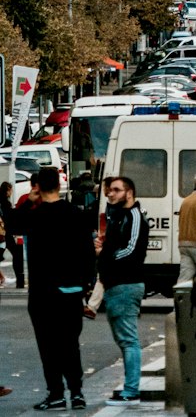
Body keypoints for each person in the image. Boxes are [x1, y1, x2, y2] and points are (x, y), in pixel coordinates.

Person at [12, 163, 94, 411]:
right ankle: (77, 392)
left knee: (48, 345)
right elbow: (88, 253)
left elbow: (13, 225)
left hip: (42, 292)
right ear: (60, 185)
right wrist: (86, 285)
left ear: (37, 187)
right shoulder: (75, 214)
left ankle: (56, 393)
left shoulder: (34, 217)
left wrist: (29, 201)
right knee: (70, 343)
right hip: (70, 291)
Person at [97, 176, 149, 406]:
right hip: (116, 284)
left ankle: (132, 390)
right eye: (109, 190)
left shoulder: (134, 216)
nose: (110, 193)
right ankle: (130, 388)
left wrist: (106, 258)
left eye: (116, 190)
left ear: (129, 193)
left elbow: (131, 249)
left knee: (129, 340)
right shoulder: (118, 216)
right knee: (125, 340)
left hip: (126, 283)